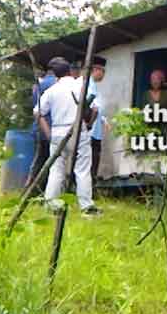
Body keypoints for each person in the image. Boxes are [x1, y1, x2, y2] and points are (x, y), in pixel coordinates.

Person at [34, 57, 102, 216]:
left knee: (56, 170)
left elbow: (38, 112)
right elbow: (95, 108)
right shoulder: (80, 85)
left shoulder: (51, 90)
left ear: (54, 74)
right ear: (70, 71)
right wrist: (89, 124)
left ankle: (50, 205)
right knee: (83, 169)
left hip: (57, 131)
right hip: (78, 130)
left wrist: (48, 133)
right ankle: (86, 207)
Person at [25, 68, 57, 189]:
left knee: (39, 160)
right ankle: (34, 189)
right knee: (48, 161)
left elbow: (35, 106)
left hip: (39, 128)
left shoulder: (38, 85)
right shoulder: (56, 84)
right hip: (50, 127)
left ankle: (32, 189)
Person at [87, 59, 107, 183]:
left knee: (92, 161)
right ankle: (89, 187)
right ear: (96, 70)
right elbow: (93, 107)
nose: (103, 75)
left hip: (95, 131)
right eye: (103, 71)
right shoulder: (89, 85)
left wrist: (103, 119)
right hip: (91, 132)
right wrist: (90, 124)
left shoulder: (92, 84)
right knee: (92, 161)